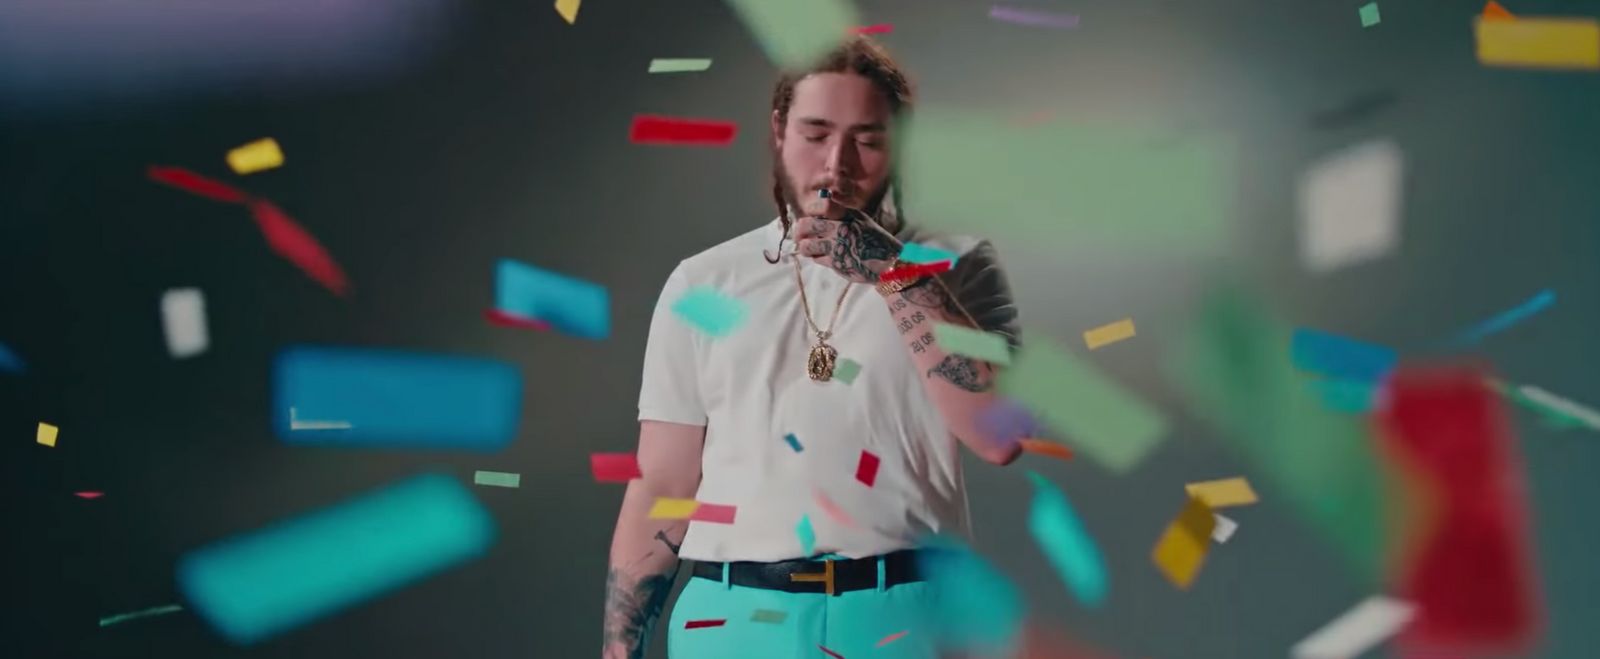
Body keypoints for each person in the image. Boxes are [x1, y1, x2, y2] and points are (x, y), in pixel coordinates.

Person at [601, 36, 1024, 659]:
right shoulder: (705, 280)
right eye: (816, 133)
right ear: (780, 130)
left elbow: (998, 434)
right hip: (733, 616)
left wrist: (894, 272)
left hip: (903, 614)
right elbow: (663, 480)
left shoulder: (961, 264)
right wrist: (618, 649)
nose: (837, 164)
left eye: (868, 139)